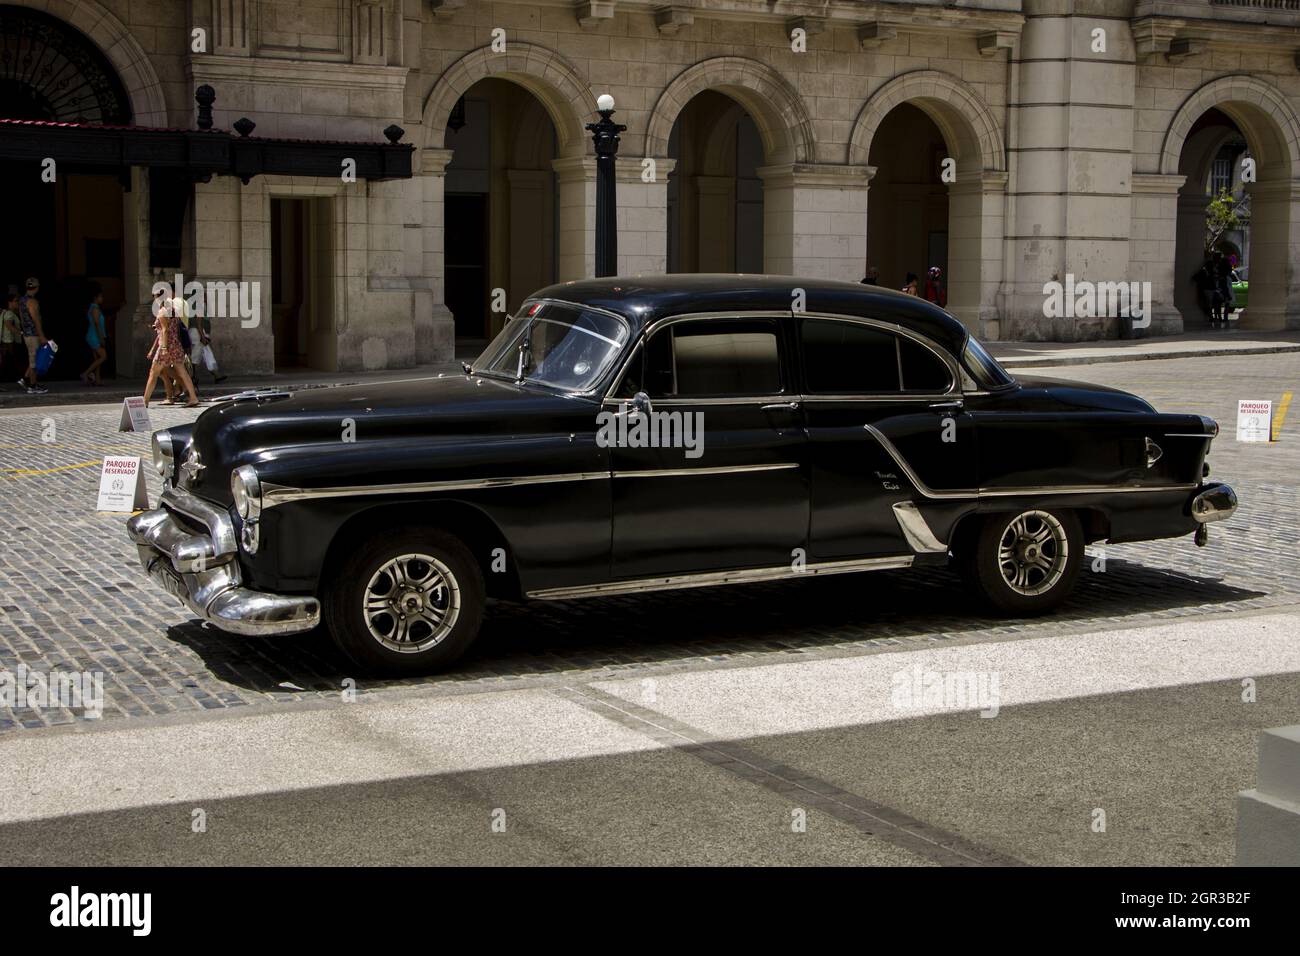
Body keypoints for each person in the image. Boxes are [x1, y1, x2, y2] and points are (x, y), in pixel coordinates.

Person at [143, 294, 198, 408]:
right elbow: (175, 329)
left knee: (153, 373)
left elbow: (165, 330)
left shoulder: (162, 312)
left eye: (155, 297)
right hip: (175, 345)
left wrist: (163, 348)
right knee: (183, 373)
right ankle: (193, 397)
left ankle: (144, 402)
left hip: (166, 346)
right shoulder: (173, 310)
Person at [16, 276, 47, 394]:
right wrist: (42, 335)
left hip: (27, 334)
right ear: (37, 287)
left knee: (33, 358)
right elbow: (36, 319)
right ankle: (32, 386)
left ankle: (25, 379)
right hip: (33, 335)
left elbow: (23, 320)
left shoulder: (22, 300)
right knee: (34, 361)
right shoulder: (32, 301)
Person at [81, 289, 108, 386]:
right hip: (94, 336)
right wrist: (101, 338)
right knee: (103, 356)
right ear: (95, 298)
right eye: (100, 296)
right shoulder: (95, 309)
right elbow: (97, 324)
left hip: (94, 335)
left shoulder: (94, 308)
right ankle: (85, 373)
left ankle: (98, 379)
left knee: (97, 359)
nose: (102, 298)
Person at [1, 291, 22, 385]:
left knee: (7, 361)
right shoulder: (9, 313)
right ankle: (19, 379)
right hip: (8, 341)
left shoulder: (8, 312)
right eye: (16, 301)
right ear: (10, 302)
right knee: (9, 361)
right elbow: (8, 325)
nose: (17, 303)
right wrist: (21, 332)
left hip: (7, 341)